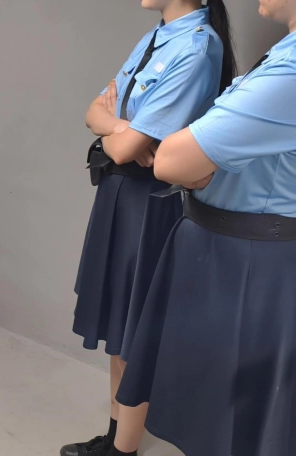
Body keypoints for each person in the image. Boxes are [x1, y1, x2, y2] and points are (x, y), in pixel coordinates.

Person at [116, 0, 296, 454]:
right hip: (236, 250)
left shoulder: (291, 69)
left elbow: (171, 160)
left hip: (252, 261)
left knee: (235, 420)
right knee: (223, 415)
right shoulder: (284, 55)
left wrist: (192, 164)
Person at [68, 1, 236, 455]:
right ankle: (114, 437)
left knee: (134, 333)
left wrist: (119, 134)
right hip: (120, 195)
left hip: (150, 203)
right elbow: (94, 113)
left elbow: (125, 150)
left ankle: (122, 449)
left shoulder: (197, 47)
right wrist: (124, 128)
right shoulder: (158, 36)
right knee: (119, 328)